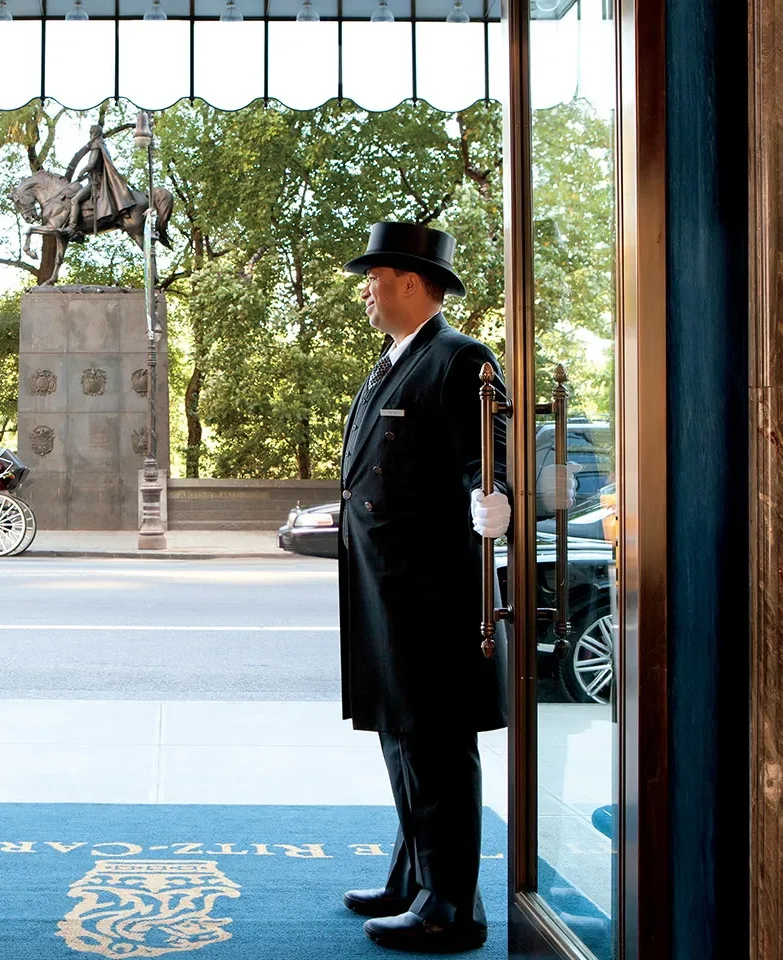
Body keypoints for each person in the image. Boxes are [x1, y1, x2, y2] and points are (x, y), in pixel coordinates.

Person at [336, 222, 518, 952]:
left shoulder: (459, 357)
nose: (368, 293)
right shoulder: (394, 360)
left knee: (436, 744)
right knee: (400, 734)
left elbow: (488, 448)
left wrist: (493, 495)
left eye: (374, 279)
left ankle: (453, 906)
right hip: (385, 584)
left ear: (412, 282)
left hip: (431, 589)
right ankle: (414, 874)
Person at [66, 124, 135, 236]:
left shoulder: (96, 145)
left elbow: (91, 164)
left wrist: (81, 172)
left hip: (96, 182)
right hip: (98, 179)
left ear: (94, 133)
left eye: (91, 133)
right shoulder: (103, 145)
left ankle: (72, 227)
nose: (90, 135)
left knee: (74, 200)